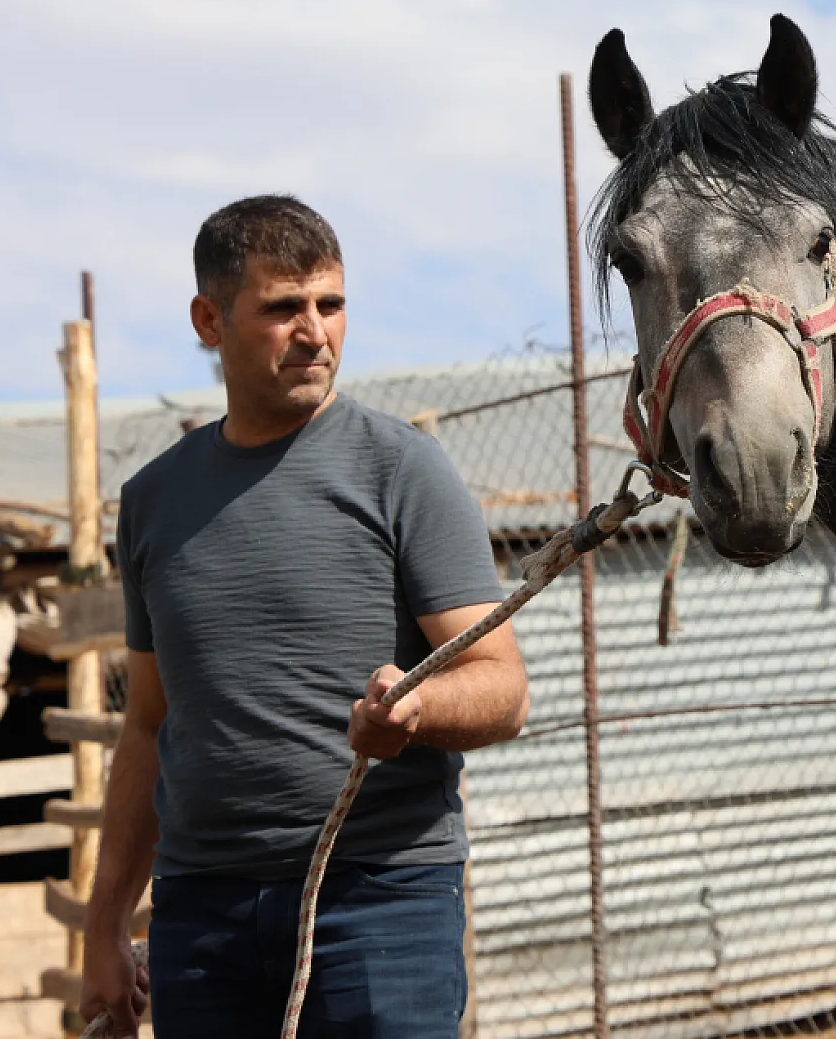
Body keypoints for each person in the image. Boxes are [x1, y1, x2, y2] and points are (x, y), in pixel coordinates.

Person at [80, 195, 527, 1037]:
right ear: (209, 320)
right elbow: (147, 724)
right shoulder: (152, 502)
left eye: (331, 303)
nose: (315, 331)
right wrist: (105, 926)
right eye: (284, 307)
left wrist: (419, 708)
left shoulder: (403, 469)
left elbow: (502, 687)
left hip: (379, 900)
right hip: (200, 916)